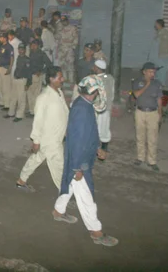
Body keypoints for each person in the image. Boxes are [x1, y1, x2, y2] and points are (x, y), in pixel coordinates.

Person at [52, 77, 118, 247]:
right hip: (80, 161)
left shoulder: (82, 104)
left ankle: (58, 212)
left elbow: (88, 132)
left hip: (79, 157)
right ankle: (96, 231)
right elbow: (78, 140)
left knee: (69, 186)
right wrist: (77, 168)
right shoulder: (82, 108)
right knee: (86, 196)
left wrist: (97, 147)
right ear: (94, 92)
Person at [16, 66, 68, 192]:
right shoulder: (43, 98)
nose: (63, 79)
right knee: (60, 168)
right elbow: (38, 122)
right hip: (51, 140)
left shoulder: (59, 93)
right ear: (51, 79)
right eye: (60, 77)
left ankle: (21, 181)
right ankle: (64, 195)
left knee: (36, 158)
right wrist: (36, 141)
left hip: (56, 137)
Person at [132, 62, 163, 171]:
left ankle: (152, 161)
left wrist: (160, 114)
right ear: (144, 72)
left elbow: (159, 100)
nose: (152, 74)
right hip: (140, 111)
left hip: (153, 113)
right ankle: (140, 158)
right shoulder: (137, 82)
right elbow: (136, 95)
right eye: (150, 71)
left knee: (152, 138)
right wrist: (147, 84)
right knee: (140, 136)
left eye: (153, 72)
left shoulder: (157, 84)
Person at [92, 60, 114, 159]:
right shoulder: (110, 78)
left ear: (97, 68)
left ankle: (97, 150)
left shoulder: (95, 79)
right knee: (105, 127)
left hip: (98, 107)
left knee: (97, 128)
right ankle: (104, 148)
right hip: (107, 107)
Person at [26, 39, 52, 118]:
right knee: (29, 93)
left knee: (36, 95)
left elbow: (49, 64)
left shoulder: (41, 53)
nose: (32, 46)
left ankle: (35, 111)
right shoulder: (30, 53)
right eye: (32, 45)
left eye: (34, 45)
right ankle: (31, 111)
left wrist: (41, 72)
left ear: (38, 46)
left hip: (36, 75)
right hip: (29, 75)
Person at [5, 43, 31, 123]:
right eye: (19, 49)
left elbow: (29, 73)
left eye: (22, 49)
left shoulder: (27, 60)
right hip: (16, 79)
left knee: (21, 99)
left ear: (25, 50)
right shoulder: (19, 57)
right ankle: (11, 113)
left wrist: (28, 84)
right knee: (13, 97)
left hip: (22, 80)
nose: (20, 51)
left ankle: (19, 115)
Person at [57, 14, 79, 84]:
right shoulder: (60, 29)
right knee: (62, 65)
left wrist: (73, 47)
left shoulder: (72, 28)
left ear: (67, 20)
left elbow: (76, 38)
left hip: (69, 49)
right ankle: (65, 79)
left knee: (70, 65)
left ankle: (71, 79)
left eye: (65, 21)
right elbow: (57, 38)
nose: (63, 22)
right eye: (62, 21)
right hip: (62, 49)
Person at [149, 19, 168, 85]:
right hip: (157, 57)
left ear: (159, 24)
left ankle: (162, 85)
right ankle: (157, 85)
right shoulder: (159, 32)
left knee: (162, 71)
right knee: (157, 71)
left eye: (156, 24)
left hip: (162, 56)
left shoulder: (165, 32)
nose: (155, 25)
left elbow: (166, 45)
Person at [0, 33, 14, 111]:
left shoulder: (9, 47)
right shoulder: (2, 46)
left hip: (5, 68)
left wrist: (10, 68)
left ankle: (7, 104)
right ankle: (2, 101)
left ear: (5, 38)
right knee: (1, 86)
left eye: (1, 38)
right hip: (0, 67)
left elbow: (11, 58)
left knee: (6, 87)